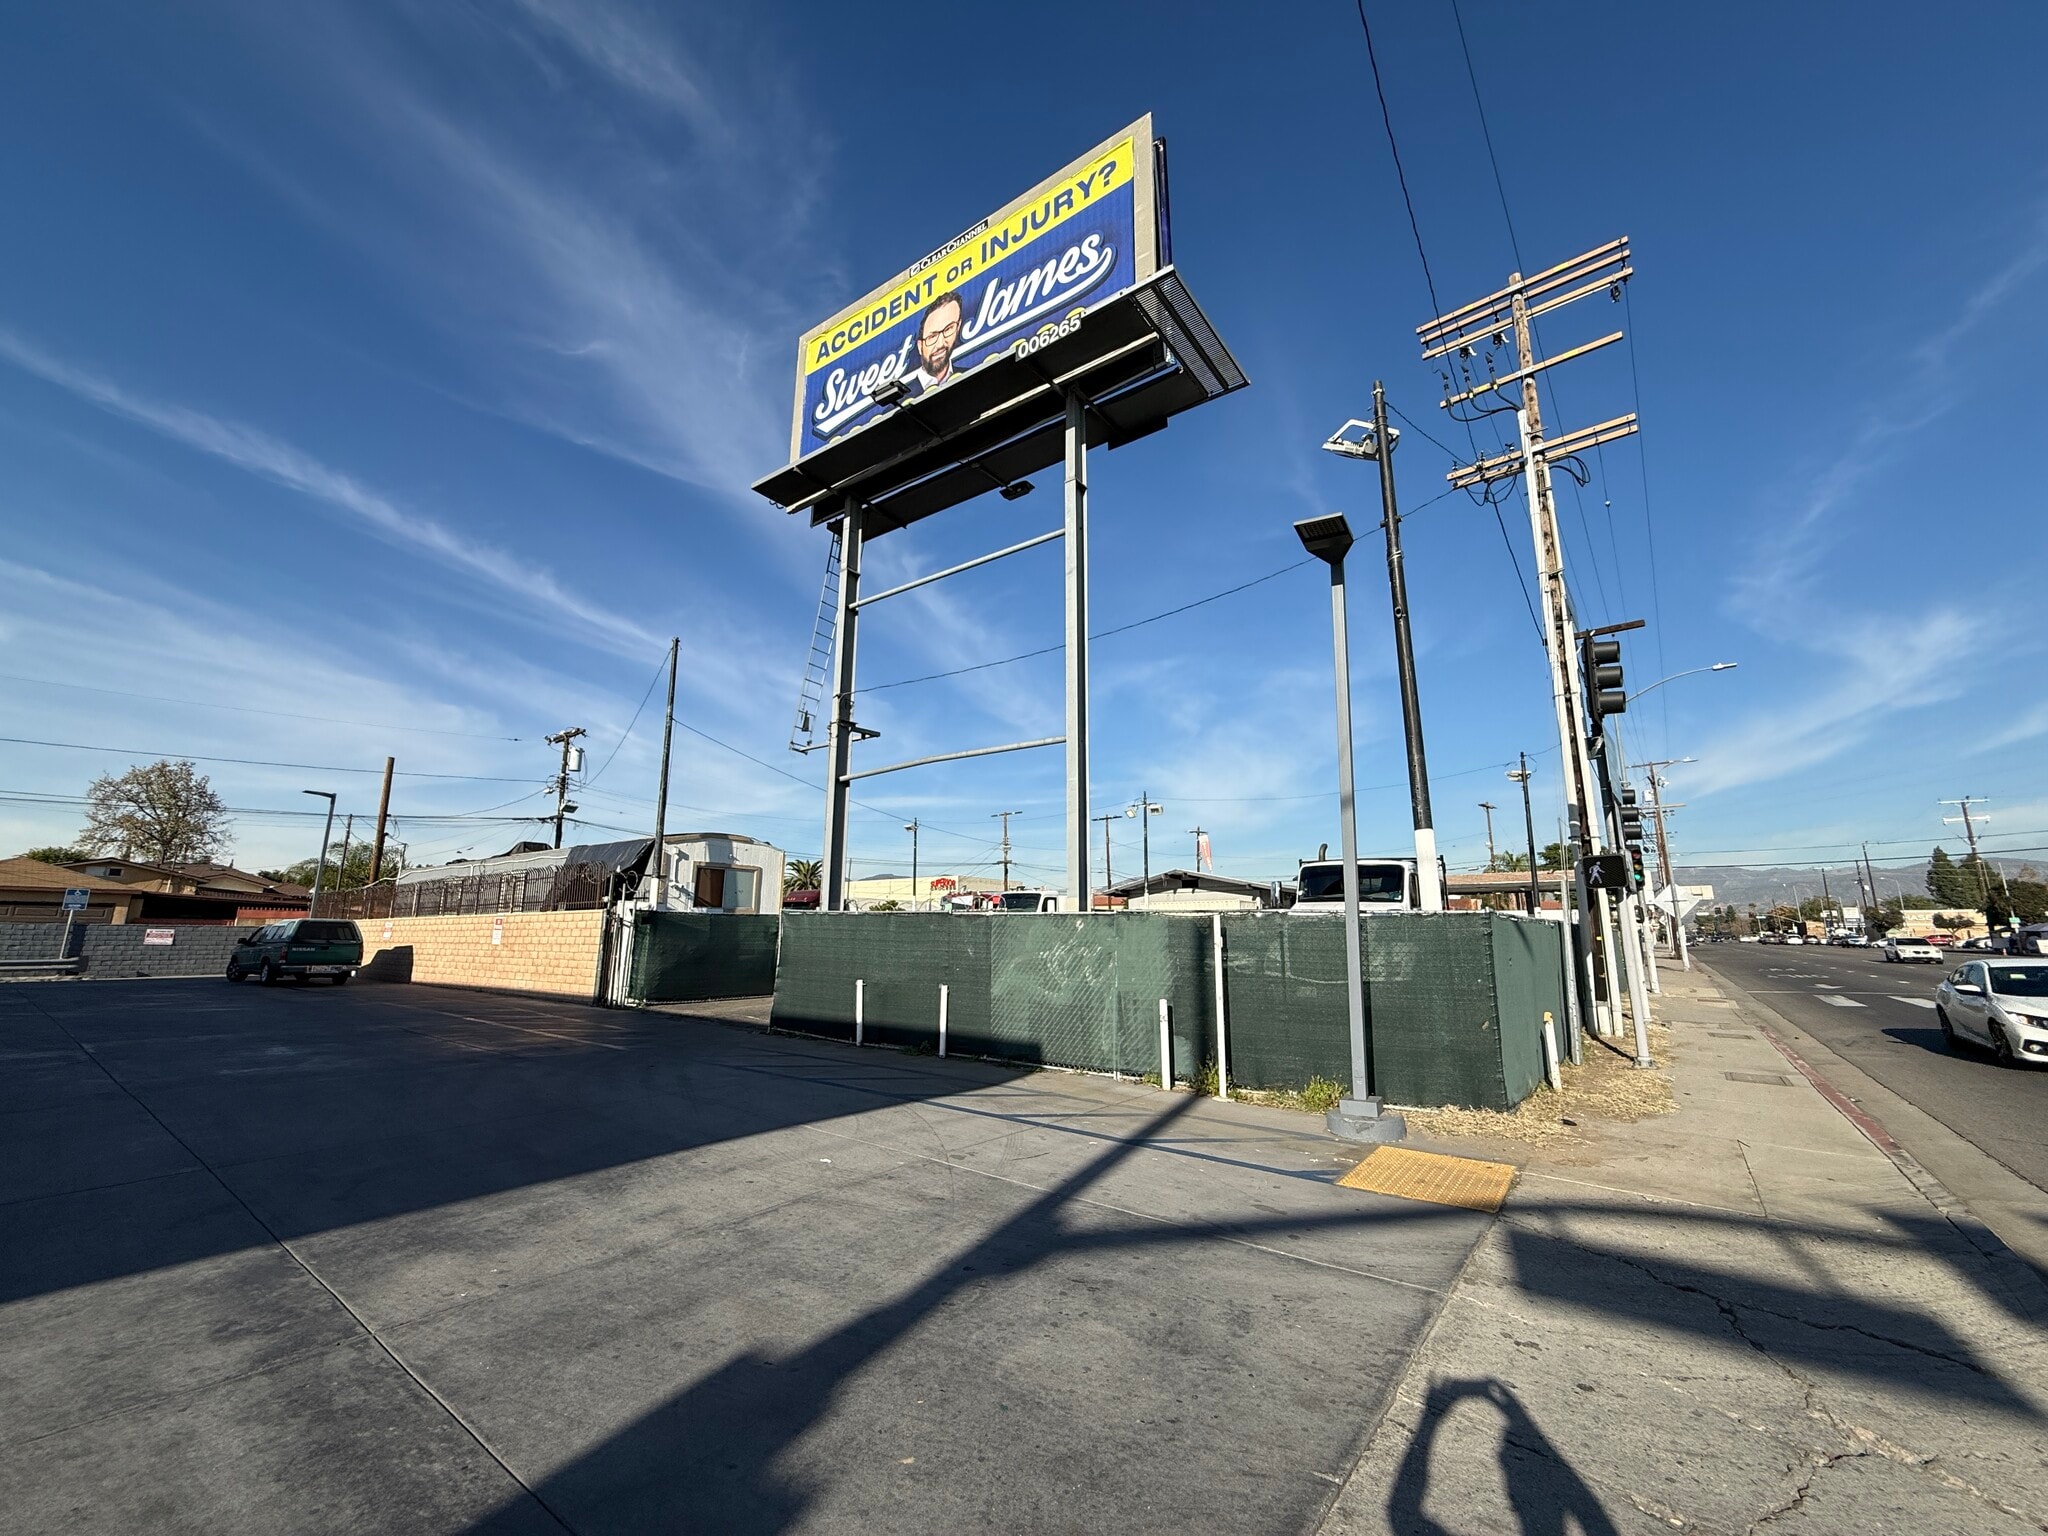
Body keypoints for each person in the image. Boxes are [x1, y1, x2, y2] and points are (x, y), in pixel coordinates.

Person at [907, 290, 964, 395]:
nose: (940, 344)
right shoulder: (901, 404)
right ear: (920, 346)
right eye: (932, 336)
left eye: (948, 329)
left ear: (958, 327)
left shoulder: (971, 377)